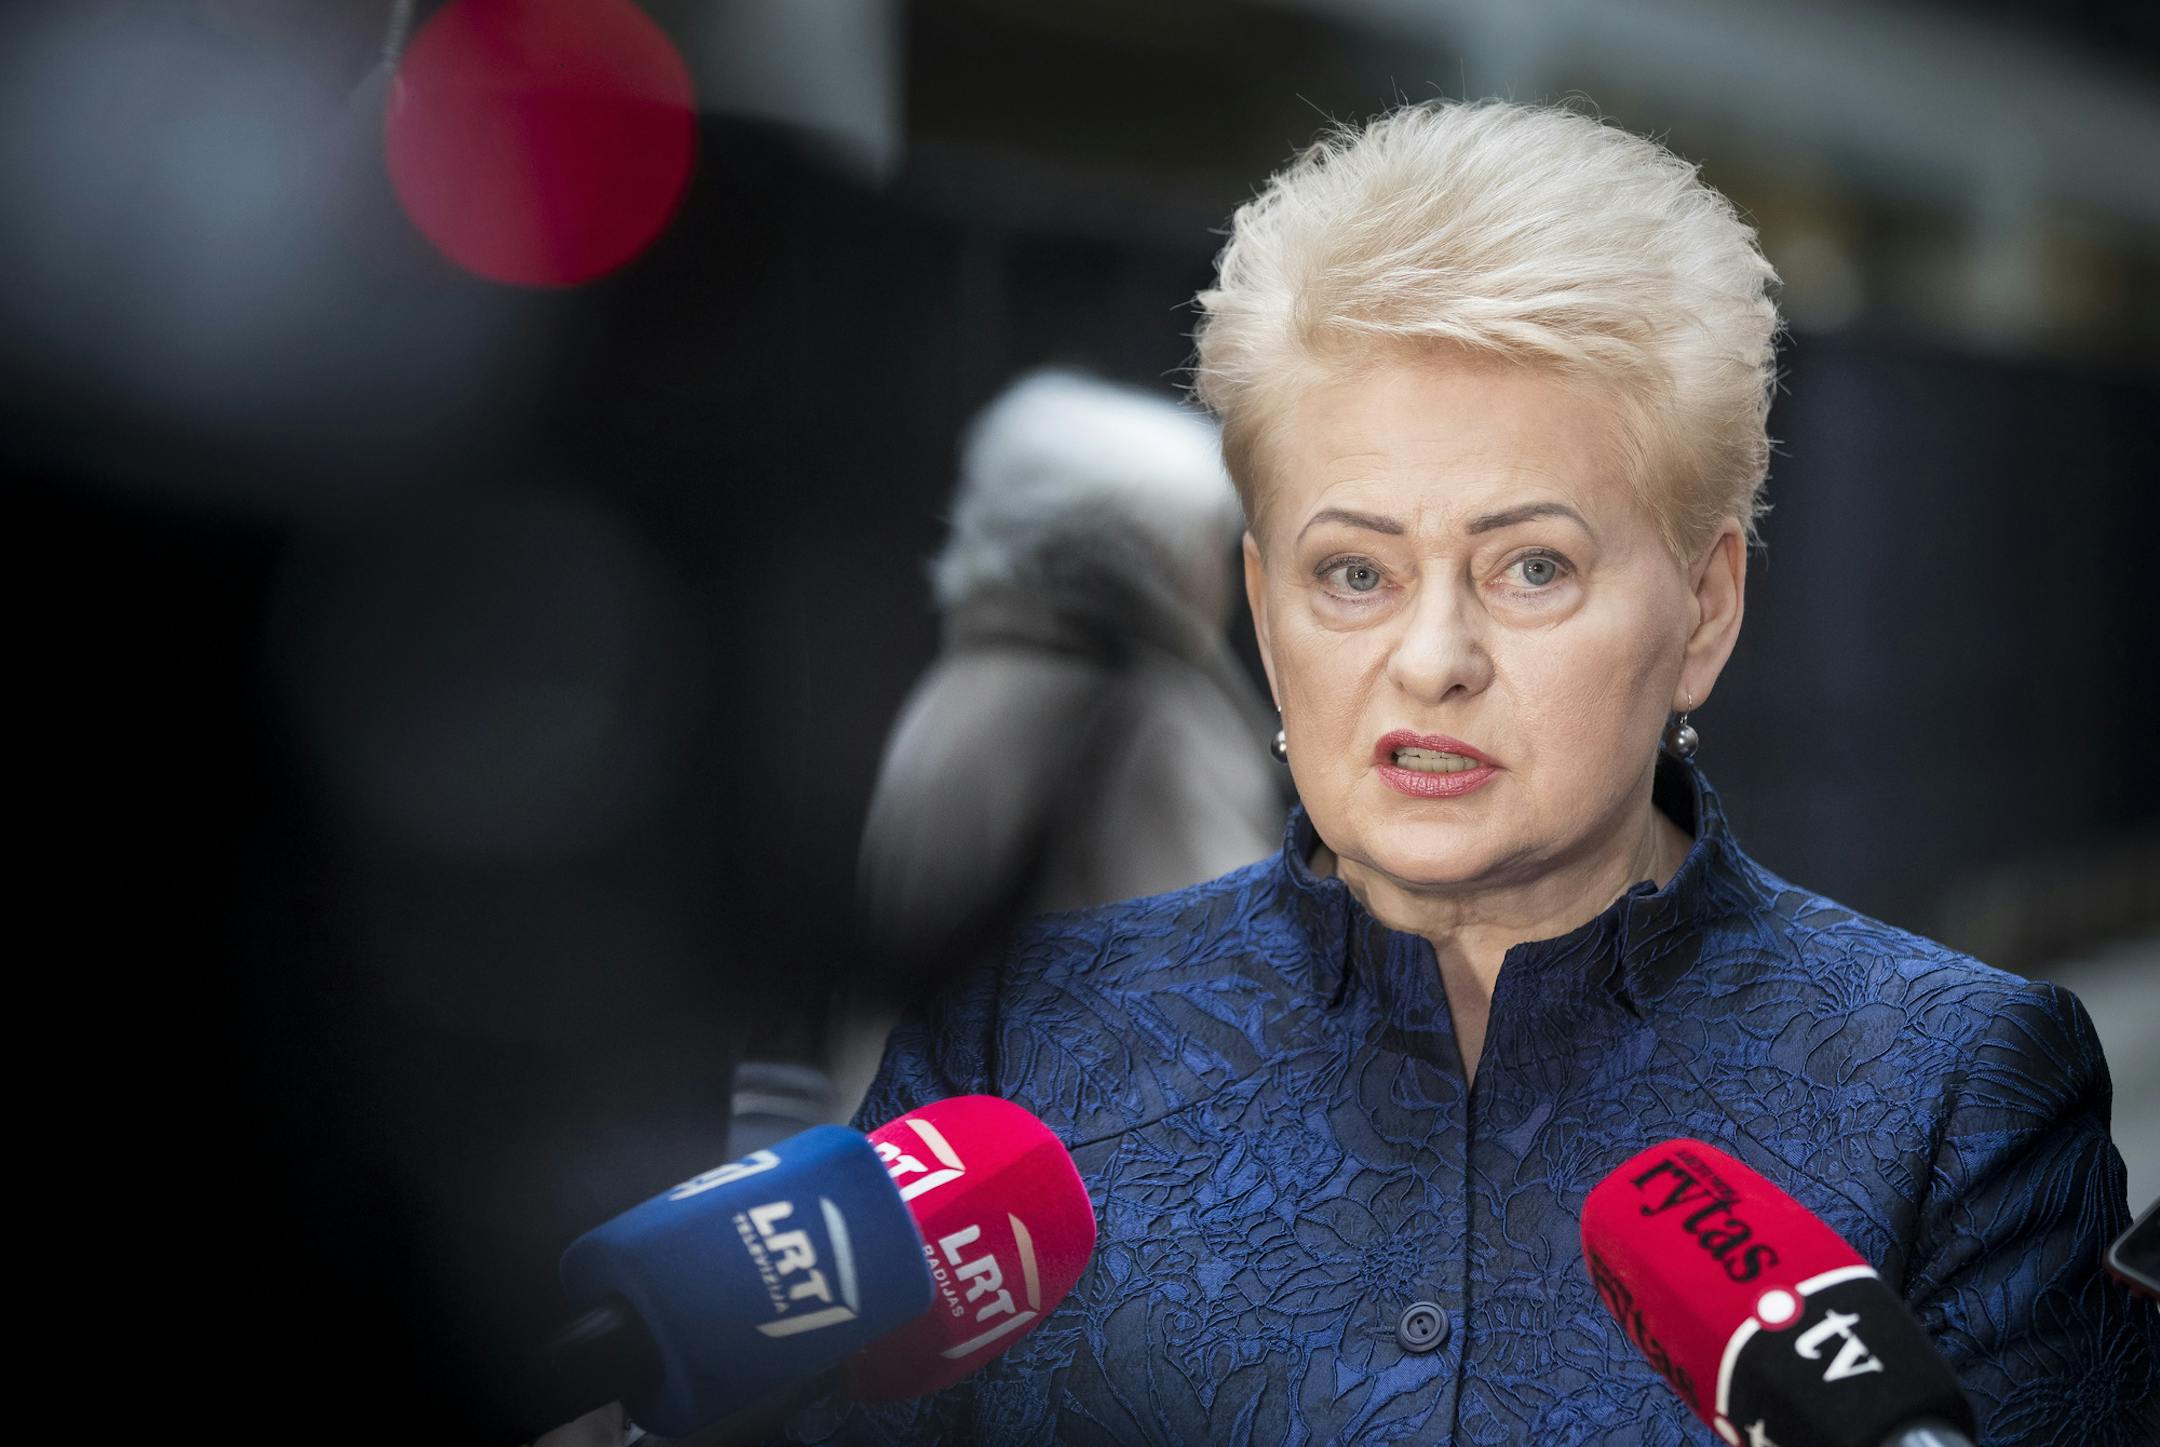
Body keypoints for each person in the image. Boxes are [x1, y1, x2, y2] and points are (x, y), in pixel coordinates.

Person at [783, 100, 2158, 1444]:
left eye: (1533, 567)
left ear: (1707, 608)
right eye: (1356, 572)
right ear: (1263, 607)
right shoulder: (1012, 1044)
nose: (1431, 657)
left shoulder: (1956, 1087)